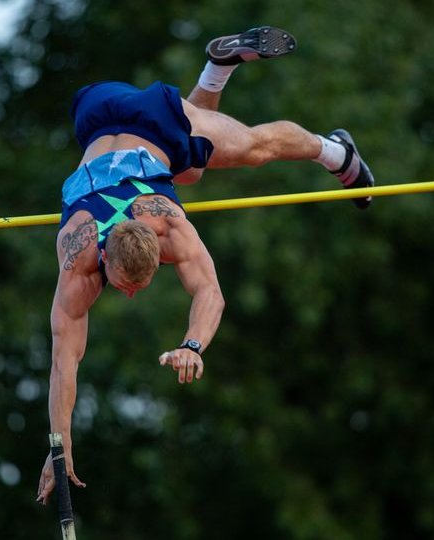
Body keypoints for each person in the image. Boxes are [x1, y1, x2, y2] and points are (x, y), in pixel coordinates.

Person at [36, 26, 374, 505]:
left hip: (121, 113)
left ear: (160, 249)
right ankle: (217, 68)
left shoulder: (163, 230)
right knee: (189, 166)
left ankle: (337, 151)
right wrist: (59, 446)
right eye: (126, 286)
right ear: (105, 255)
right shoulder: (89, 249)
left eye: (139, 285)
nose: (130, 293)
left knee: (255, 149)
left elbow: (211, 293)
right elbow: (62, 362)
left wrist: (194, 345)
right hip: (102, 118)